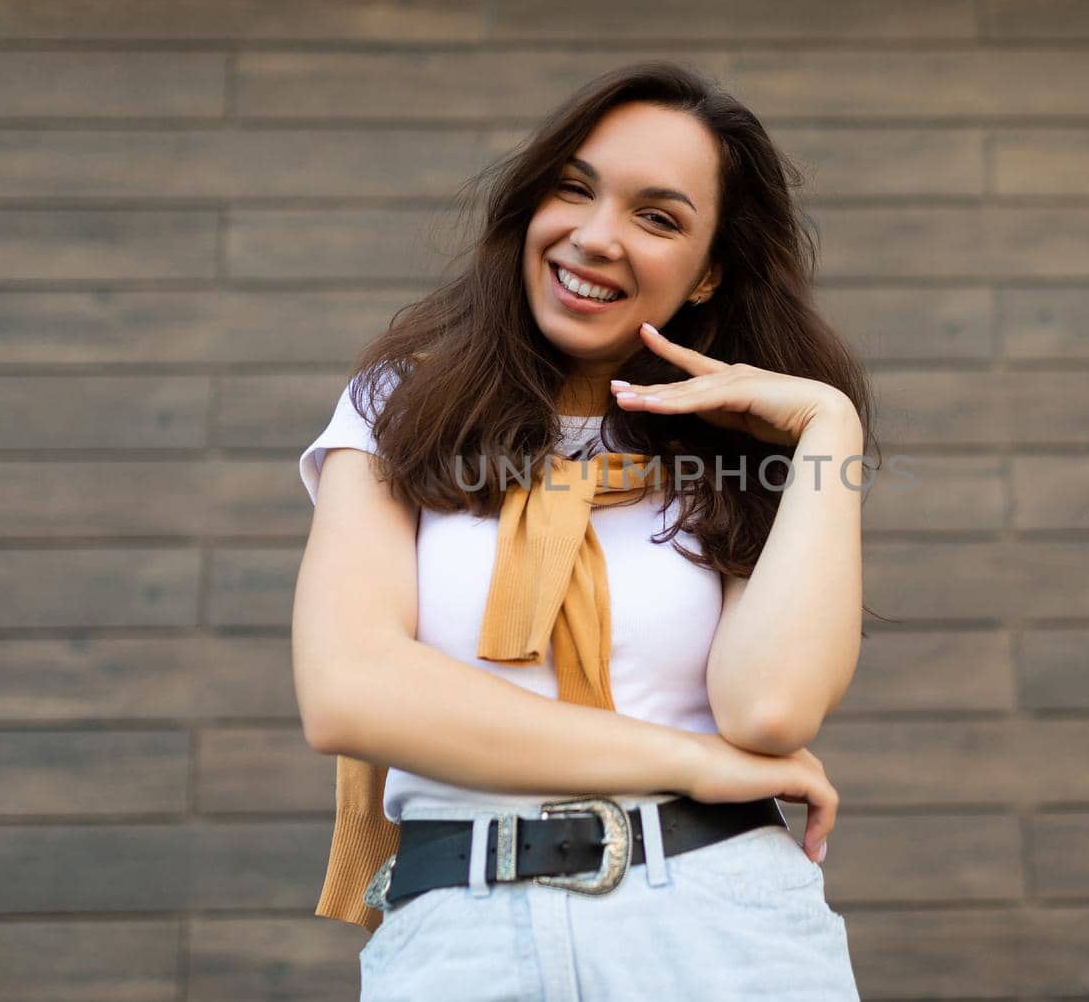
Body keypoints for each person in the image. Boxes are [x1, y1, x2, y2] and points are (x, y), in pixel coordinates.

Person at [293, 59, 877, 1000]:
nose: (596, 237)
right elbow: (350, 691)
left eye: (658, 217)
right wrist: (690, 759)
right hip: (461, 937)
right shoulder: (397, 406)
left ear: (707, 273)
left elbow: (769, 709)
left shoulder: (740, 447)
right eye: (575, 188)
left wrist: (828, 432)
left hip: (724, 928)